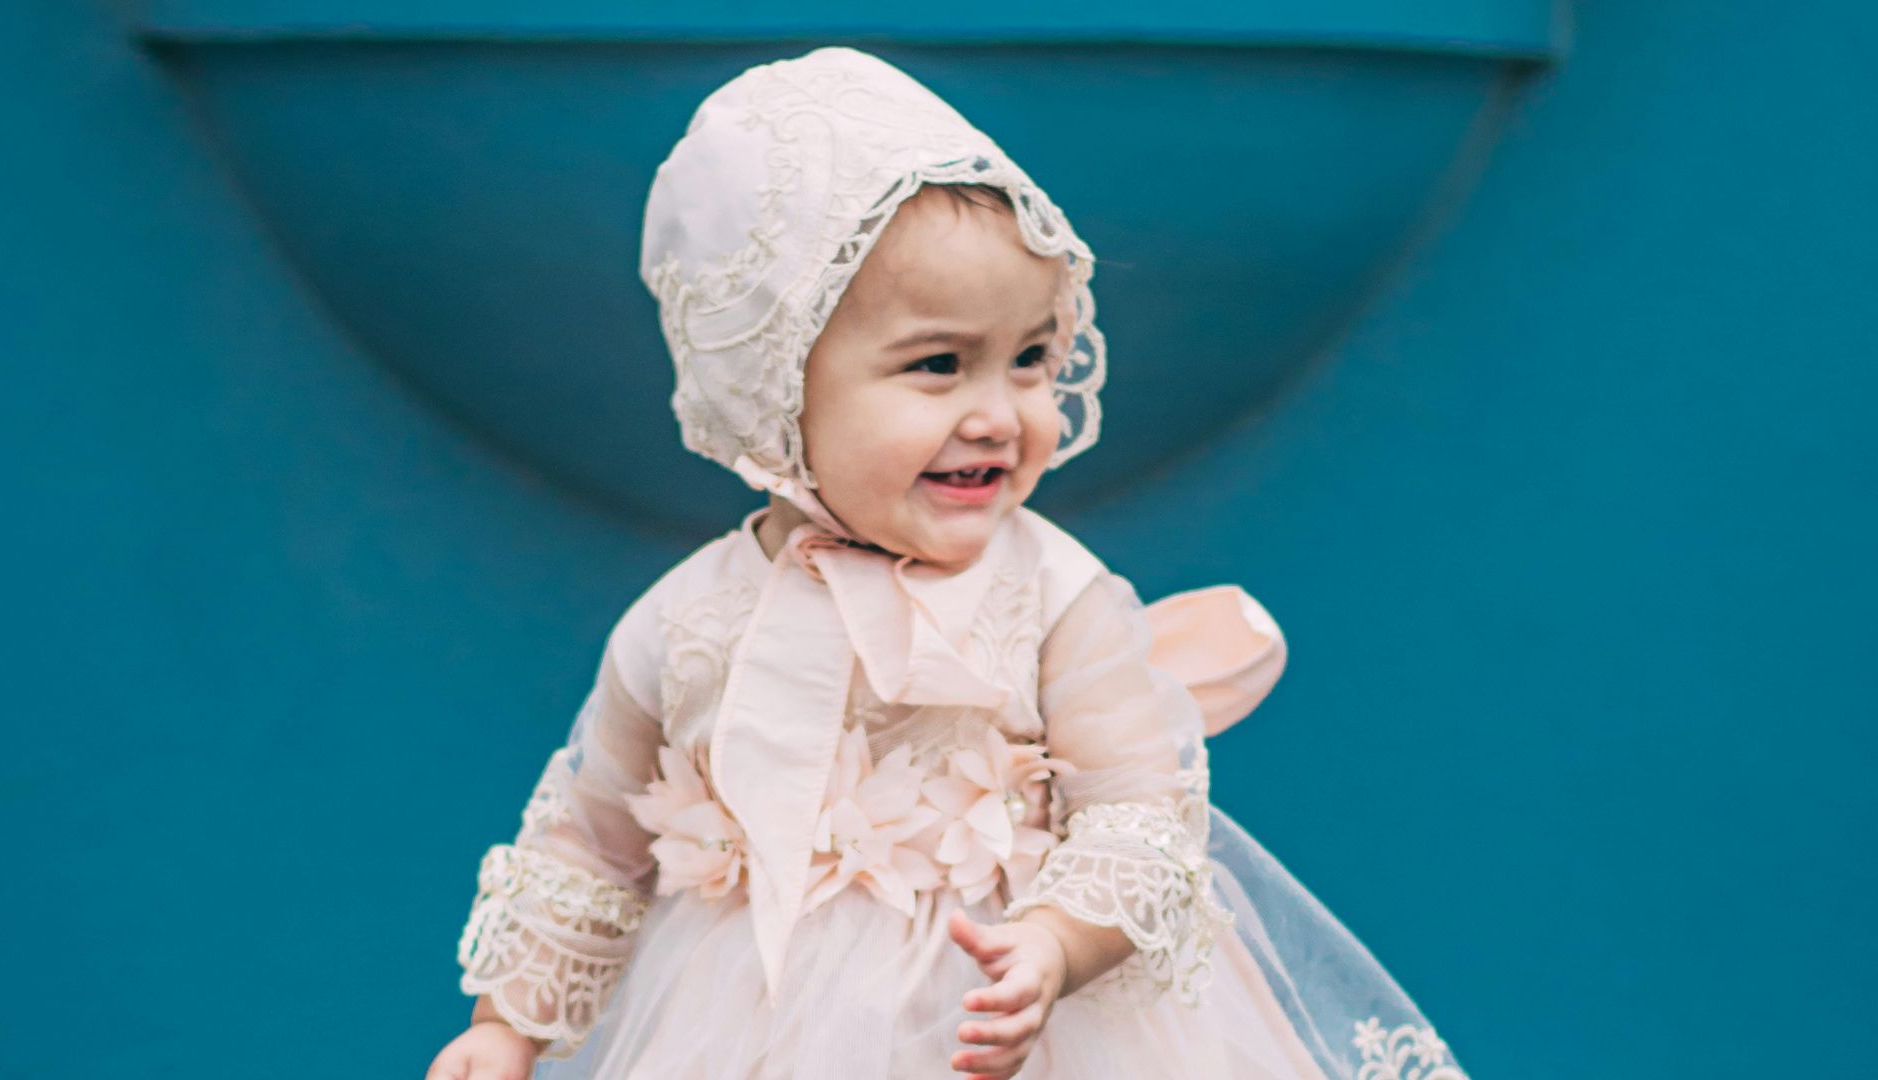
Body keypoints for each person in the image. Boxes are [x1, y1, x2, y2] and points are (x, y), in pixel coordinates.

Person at [425, 46, 1469, 1080]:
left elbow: (1143, 813)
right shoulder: (685, 622)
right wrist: (504, 1029)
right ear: (773, 386)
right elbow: (590, 850)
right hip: (751, 1026)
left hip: (1017, 1022)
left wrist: (1058, 942)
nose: (999, 415)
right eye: (937, 366)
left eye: (1030, 361)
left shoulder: (1051, 595)